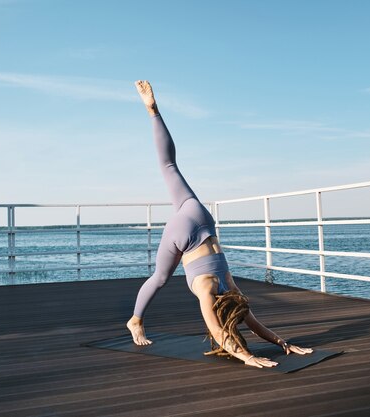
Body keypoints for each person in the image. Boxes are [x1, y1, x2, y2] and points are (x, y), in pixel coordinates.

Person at [127, 81, 312, 368]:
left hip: (200, 219)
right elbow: (224, 330)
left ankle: (153, 112)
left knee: (170, 166)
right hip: (184, 235)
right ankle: (135, 320)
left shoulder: (231, 290)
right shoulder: (209, 291)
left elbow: (250, 325)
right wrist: (257, 351)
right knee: (160, 278)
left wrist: (273, 346)